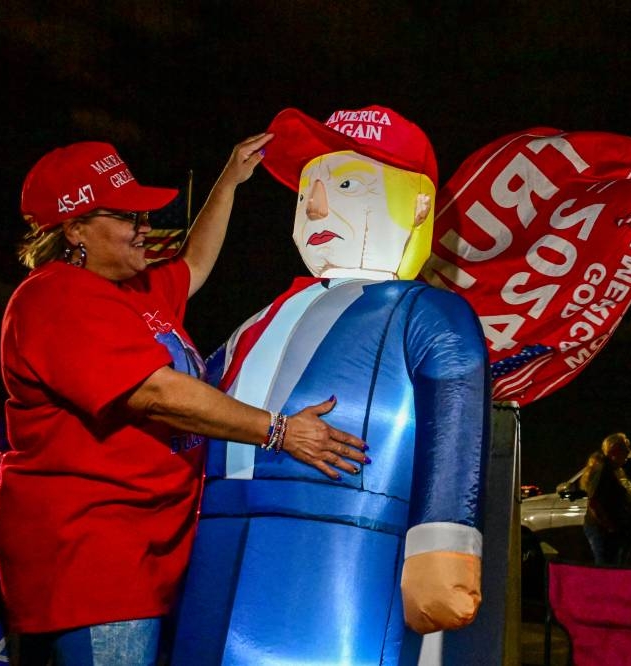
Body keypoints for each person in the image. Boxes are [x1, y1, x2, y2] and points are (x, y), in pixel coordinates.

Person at [0, 136, 368, 666]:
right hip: (92, 557)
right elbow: (157, 392)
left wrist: (230, 179)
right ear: (75, 228)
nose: (146, 226)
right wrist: (280, 431)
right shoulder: (53, 297)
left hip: (147, 547)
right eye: (128, 216)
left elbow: (194, 261)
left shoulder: (134, 288)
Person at [171, 106, 490, 666]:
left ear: (418, 205)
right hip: (217, 538)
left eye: (345, 185)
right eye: (306, 192)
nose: (316, 205)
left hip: (344, 546)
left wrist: (445, 545)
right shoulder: (264, 316)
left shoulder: (429, 313)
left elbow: (456, 427)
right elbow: (193, 406)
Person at [581, 433, 631, 565]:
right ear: (614, 450)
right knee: (606, 567)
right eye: (624, 448)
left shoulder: (616, 470)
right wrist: (610, 527)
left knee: (613, 566)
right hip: (603, 532)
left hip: (615, 530)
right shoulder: (603, 470)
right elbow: (594, 502)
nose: (628, 452)